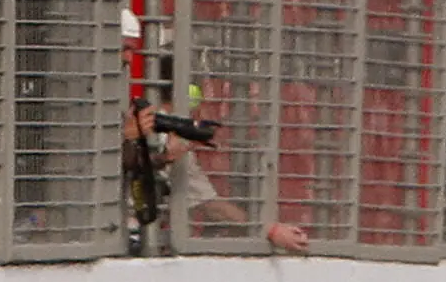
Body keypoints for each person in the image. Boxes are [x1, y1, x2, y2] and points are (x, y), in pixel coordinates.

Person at [125, 101, 310, 252]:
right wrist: (270, 230)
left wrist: (163, 158)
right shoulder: (142, 133)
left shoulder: (160, 142)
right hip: (126, 238)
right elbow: (211, 206)